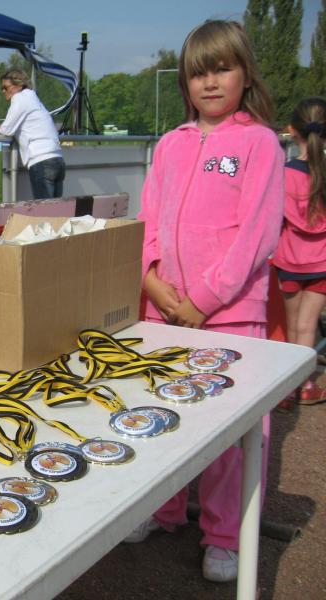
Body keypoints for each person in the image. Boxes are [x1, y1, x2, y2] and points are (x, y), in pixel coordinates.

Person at [129, 20, 284, 583]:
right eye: (199, 73)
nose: (211, 82)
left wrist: (205, 298)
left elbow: (258, 236)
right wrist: (150, 280)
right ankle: (165, 509)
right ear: (185, 83)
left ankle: (225, 536)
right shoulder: (171, 144)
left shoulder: (260, 143)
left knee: (228, 436)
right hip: (165, 314)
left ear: (246, 74)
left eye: (223, 69)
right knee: (165, 418)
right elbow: (147, 220)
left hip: (229, 318)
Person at [271, 97, 326, 405]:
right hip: (322, 263)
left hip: (290, 260)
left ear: (292, 131)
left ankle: (288, 389)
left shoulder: (283, 173)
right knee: (308, 326)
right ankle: (306, 386)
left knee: (292, 326)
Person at [0, 69, 65, 200]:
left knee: (45, 210)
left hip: (41, 160)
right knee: (56, 209)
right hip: (57, 159)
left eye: (5, 87)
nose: (3, 91)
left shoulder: (20, 98)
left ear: (18, 85)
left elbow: (6, 130)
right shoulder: (33, 98)